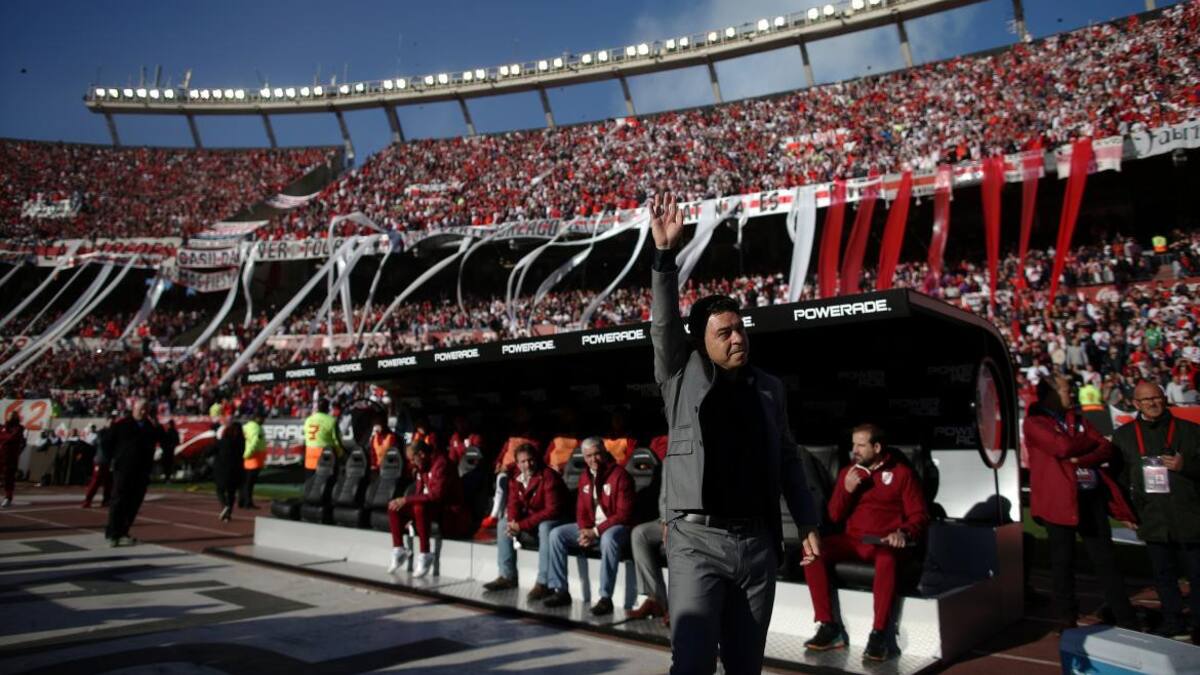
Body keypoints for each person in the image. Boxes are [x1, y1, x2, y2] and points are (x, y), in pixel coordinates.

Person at [649, 191, 819, 674]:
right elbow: (664, 323)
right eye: (724, 332)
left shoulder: (769, 389)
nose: (738, 337)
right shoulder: (681, 378)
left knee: (746, 667)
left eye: (740, 328)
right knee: (693, 663)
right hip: (696, 543)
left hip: (757, 545)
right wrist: (665, 255)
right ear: (700, 344)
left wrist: (806, 521)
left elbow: (787, 458)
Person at [802, 424, 929, 661]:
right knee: (812, 548)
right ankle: (829, 627)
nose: (855, 450)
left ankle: (879, 633)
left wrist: (903, 532)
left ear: (877, 447)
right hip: (853, 541)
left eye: (861, 445)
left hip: (885, 543)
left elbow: (919, 515)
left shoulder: (902, 473)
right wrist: (846, 490)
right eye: (853, 445)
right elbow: (833, 516)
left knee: (886, 560)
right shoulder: (848, 473)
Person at [1024, 375, 1139, 632]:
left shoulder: (1077, 419)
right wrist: (1084, 447)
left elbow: (1105, 448)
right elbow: (1062, 447)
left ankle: (1126, 618)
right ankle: (1067, 619)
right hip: (1059, 502)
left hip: (1090, 496)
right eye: (1067, 388)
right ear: (1051, 393)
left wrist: (1080, 459)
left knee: (1106, 560)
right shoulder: (1034, 422)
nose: (1073, 393)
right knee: (1063, 563)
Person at [1112, 381, 1200, 642]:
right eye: (1146, 400)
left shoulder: (1191, 431)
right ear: (1136, 404)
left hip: (1190, 514)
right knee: (1163, 574)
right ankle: (1173, 621)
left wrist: (1187, 465)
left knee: (1197, 573)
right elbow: (1117, 479)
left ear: (1165, 399)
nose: (1152, 403)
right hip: (1152, 517)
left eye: (1157, 398)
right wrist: (1124, 512)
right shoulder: (1124, 436)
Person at [543, 438, 635, 615]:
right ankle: (560, 590)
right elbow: (581, 510)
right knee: (556, 534)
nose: (594, 459)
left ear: (604, 453)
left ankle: (605, 598)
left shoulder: (620, 475)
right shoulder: (585, 477)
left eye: (597, 454)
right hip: (593, 528)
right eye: (589, 456)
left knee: (608, 539)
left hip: (618, 527)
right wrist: (585, 531)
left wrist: (594, 532)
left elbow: (624, 515)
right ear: (584, 458)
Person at [482, 443, 570, 599]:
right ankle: (507, 576)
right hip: (533, 522)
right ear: (517, 464)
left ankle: (543, 583)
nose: (527, 464)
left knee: (545, 526)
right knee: (503, 523)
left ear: (536, 459)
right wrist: (513, 523)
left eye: (530, 460)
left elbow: (552, 511)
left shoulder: (548, 476)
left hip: (557, 522)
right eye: (523, 461)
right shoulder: (516, 479)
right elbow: (513, 503)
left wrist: (521, 525)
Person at [386, 441, 471, 578]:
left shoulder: (441, 464)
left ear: (422, 454)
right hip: (433, 507)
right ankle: (399, 549)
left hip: (449, 510)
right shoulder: (422, 466)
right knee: (394, 507)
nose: (412, 463)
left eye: (413, 459)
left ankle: (425, 554)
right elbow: (420, 493)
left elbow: (437, 496)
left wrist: (406, 500)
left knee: (419, 507)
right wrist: (408, 511)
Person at [105, 400, 160, 546]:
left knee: (134, 503)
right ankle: (113, 533)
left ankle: (124, 532)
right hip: (124, 469)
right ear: (134, 409)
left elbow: (164, 440)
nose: (144, 412)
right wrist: (112, 460)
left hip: (142, 471)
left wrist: (157, 423)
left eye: (146, 409)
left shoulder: (150, 427)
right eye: (141, 409)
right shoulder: (122, 425)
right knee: (118, 501)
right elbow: (107, 443)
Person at [627, 470, 670, 625]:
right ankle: (655, 600)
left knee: (678, 539)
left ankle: (681, 605)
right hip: (669, 519)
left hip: (693, 522)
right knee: (640, 534)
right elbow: (665, 495)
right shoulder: (670, 458)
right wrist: (666, 520)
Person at [212, 415, 244, 522]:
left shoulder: (223, 441)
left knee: (220, 489)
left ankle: (225, 505)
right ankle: (228, 514)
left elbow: (210, 450)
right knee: (231, 492)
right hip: (237, 470)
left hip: (222, 469)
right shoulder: (241, 442)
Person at [303, 399, 341, 481]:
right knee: (327, 484)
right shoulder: (331, 420)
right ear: (327, 408)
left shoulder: (308, 420)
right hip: (325, 455)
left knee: (310, 483)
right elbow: (337, 441)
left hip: (310, 454)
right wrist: (340, 454)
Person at [83, 419, 114, 508]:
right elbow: (100, 443)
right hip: (100, 461)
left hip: (109, 461)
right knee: (96, 481)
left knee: (108, 482)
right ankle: (88, 500)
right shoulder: (101, 433)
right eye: (110, 422)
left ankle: (106, 500)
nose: (112, 424)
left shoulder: (113, 433)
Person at [0, 411, 26, 508]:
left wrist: (4, 438)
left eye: (12, 415)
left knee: (9, 478)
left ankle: (8, 497)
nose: (10, 417)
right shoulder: (3, 427)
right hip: (1, 455)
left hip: (11, 457)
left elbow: (10, 438)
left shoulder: (18, 428)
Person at [240, 412, 266, 509]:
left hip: (249, 457)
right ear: (257, 418)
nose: (264, 420)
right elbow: (254, 443)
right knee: (249, 483)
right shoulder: (256, 428)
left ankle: (242, 501)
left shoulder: (246, 426)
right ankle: (248, 502)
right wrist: (248, 454)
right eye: (262, 418)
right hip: (253, 458)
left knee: (245, 482)